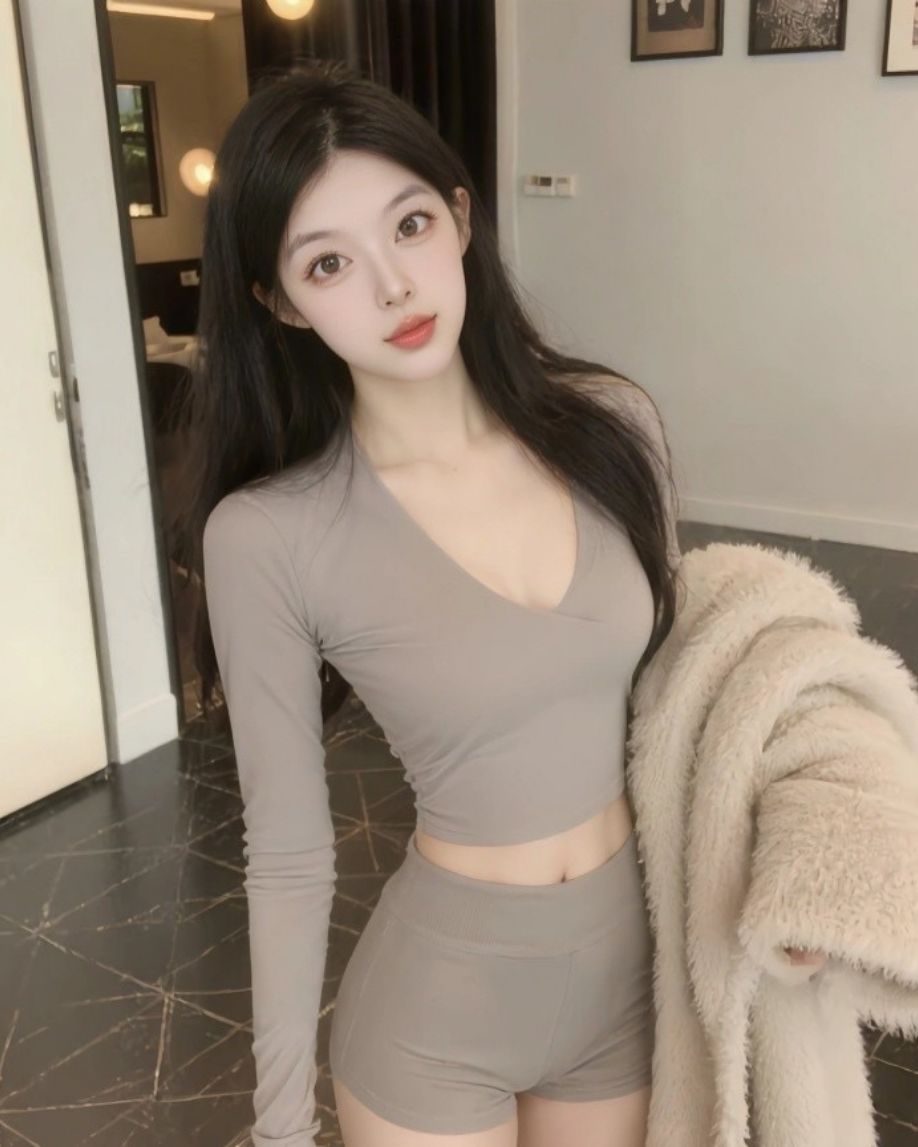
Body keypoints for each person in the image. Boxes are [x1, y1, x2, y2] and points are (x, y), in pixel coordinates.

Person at [179, 59, 684, 1147]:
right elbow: (289, 856)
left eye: (408, 225)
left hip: (627, 985)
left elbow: (687, 705)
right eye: (328, 262)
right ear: (281, 303)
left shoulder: (614, 427)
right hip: (438, 1016)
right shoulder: (269, 534)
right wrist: (278, 1126)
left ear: (459, 217)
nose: (393, 287)